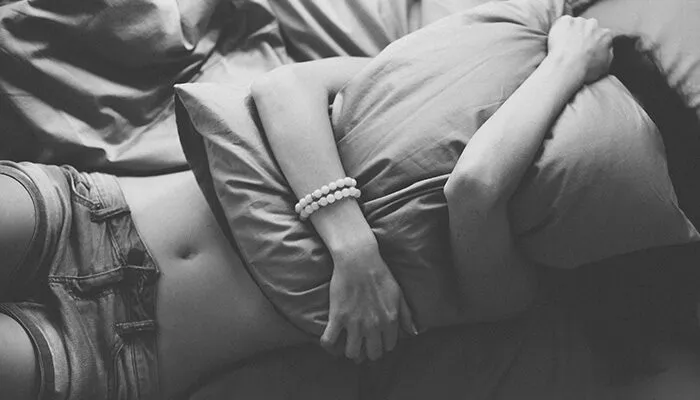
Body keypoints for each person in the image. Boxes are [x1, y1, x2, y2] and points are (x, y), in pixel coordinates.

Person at [0, 13, 624, 400]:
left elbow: (478, 186)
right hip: (85, 210)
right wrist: (353, 247)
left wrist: (565, 68)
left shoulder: (509, 290)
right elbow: (283, 89)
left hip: (115, 357)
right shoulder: (416, 92)